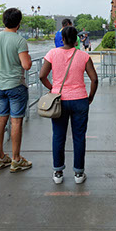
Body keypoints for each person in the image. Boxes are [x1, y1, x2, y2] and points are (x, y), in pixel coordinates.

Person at [40, 26, 98, 184]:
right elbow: (94, 79)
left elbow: (42, 75)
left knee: (58, 136)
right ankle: (79, 174)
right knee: (79, 137)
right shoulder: (84, 56)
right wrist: (90, 97)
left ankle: (58, 172)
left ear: (63, 39)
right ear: (77, 40)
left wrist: (52, 88)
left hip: (59, 100)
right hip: (80, 100)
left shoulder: (52, 53)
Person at [0, 7, 33, 173]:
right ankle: (16, 159)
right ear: (18, 23)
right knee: (16, 121)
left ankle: (0, 157)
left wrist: (2, 61)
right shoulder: (19, 41)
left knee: (1, 119)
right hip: (16, 85)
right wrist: (26, 60)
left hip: (0, 86)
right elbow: (26, 65)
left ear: (4, 21)